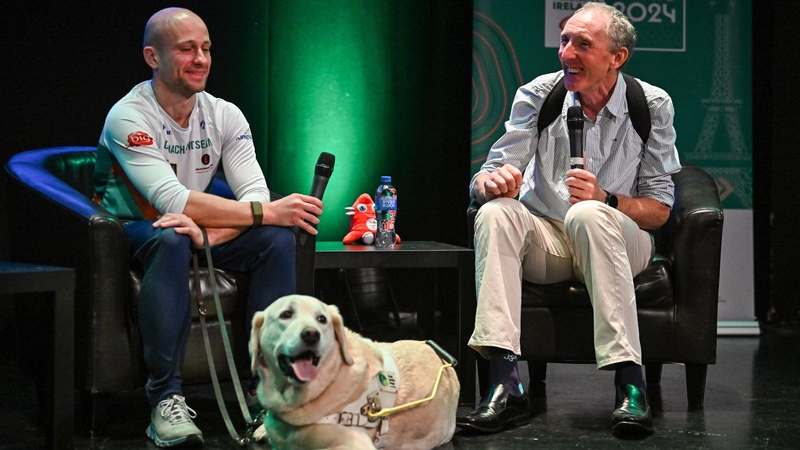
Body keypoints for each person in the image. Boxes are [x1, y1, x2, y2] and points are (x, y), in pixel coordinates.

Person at [93, 8, 323, 447]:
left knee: (275, 239)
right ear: (152, 57)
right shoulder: (128, 115)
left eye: (206, 48)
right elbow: (172, 201)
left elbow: (254, 193)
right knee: (176, 235)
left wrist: (212, 234)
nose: (200, 58)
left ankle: (268, 393)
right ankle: (165, 400)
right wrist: (264, 212)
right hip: (129, 231)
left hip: (194, 230)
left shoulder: (224, 114)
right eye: (186, 49)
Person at [456, 2, 680, 436]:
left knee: (589, 214)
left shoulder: (650, 104)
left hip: (619, 237)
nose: (567, 54)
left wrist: (607, 199)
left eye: (583, 44)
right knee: (497, 214)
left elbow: (660, 210)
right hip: (552, 241)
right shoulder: (540, 95)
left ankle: (629, 383)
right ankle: (505, 385)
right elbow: (487, 176)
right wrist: (490, 183)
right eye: (564, 41)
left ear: (617, 57)